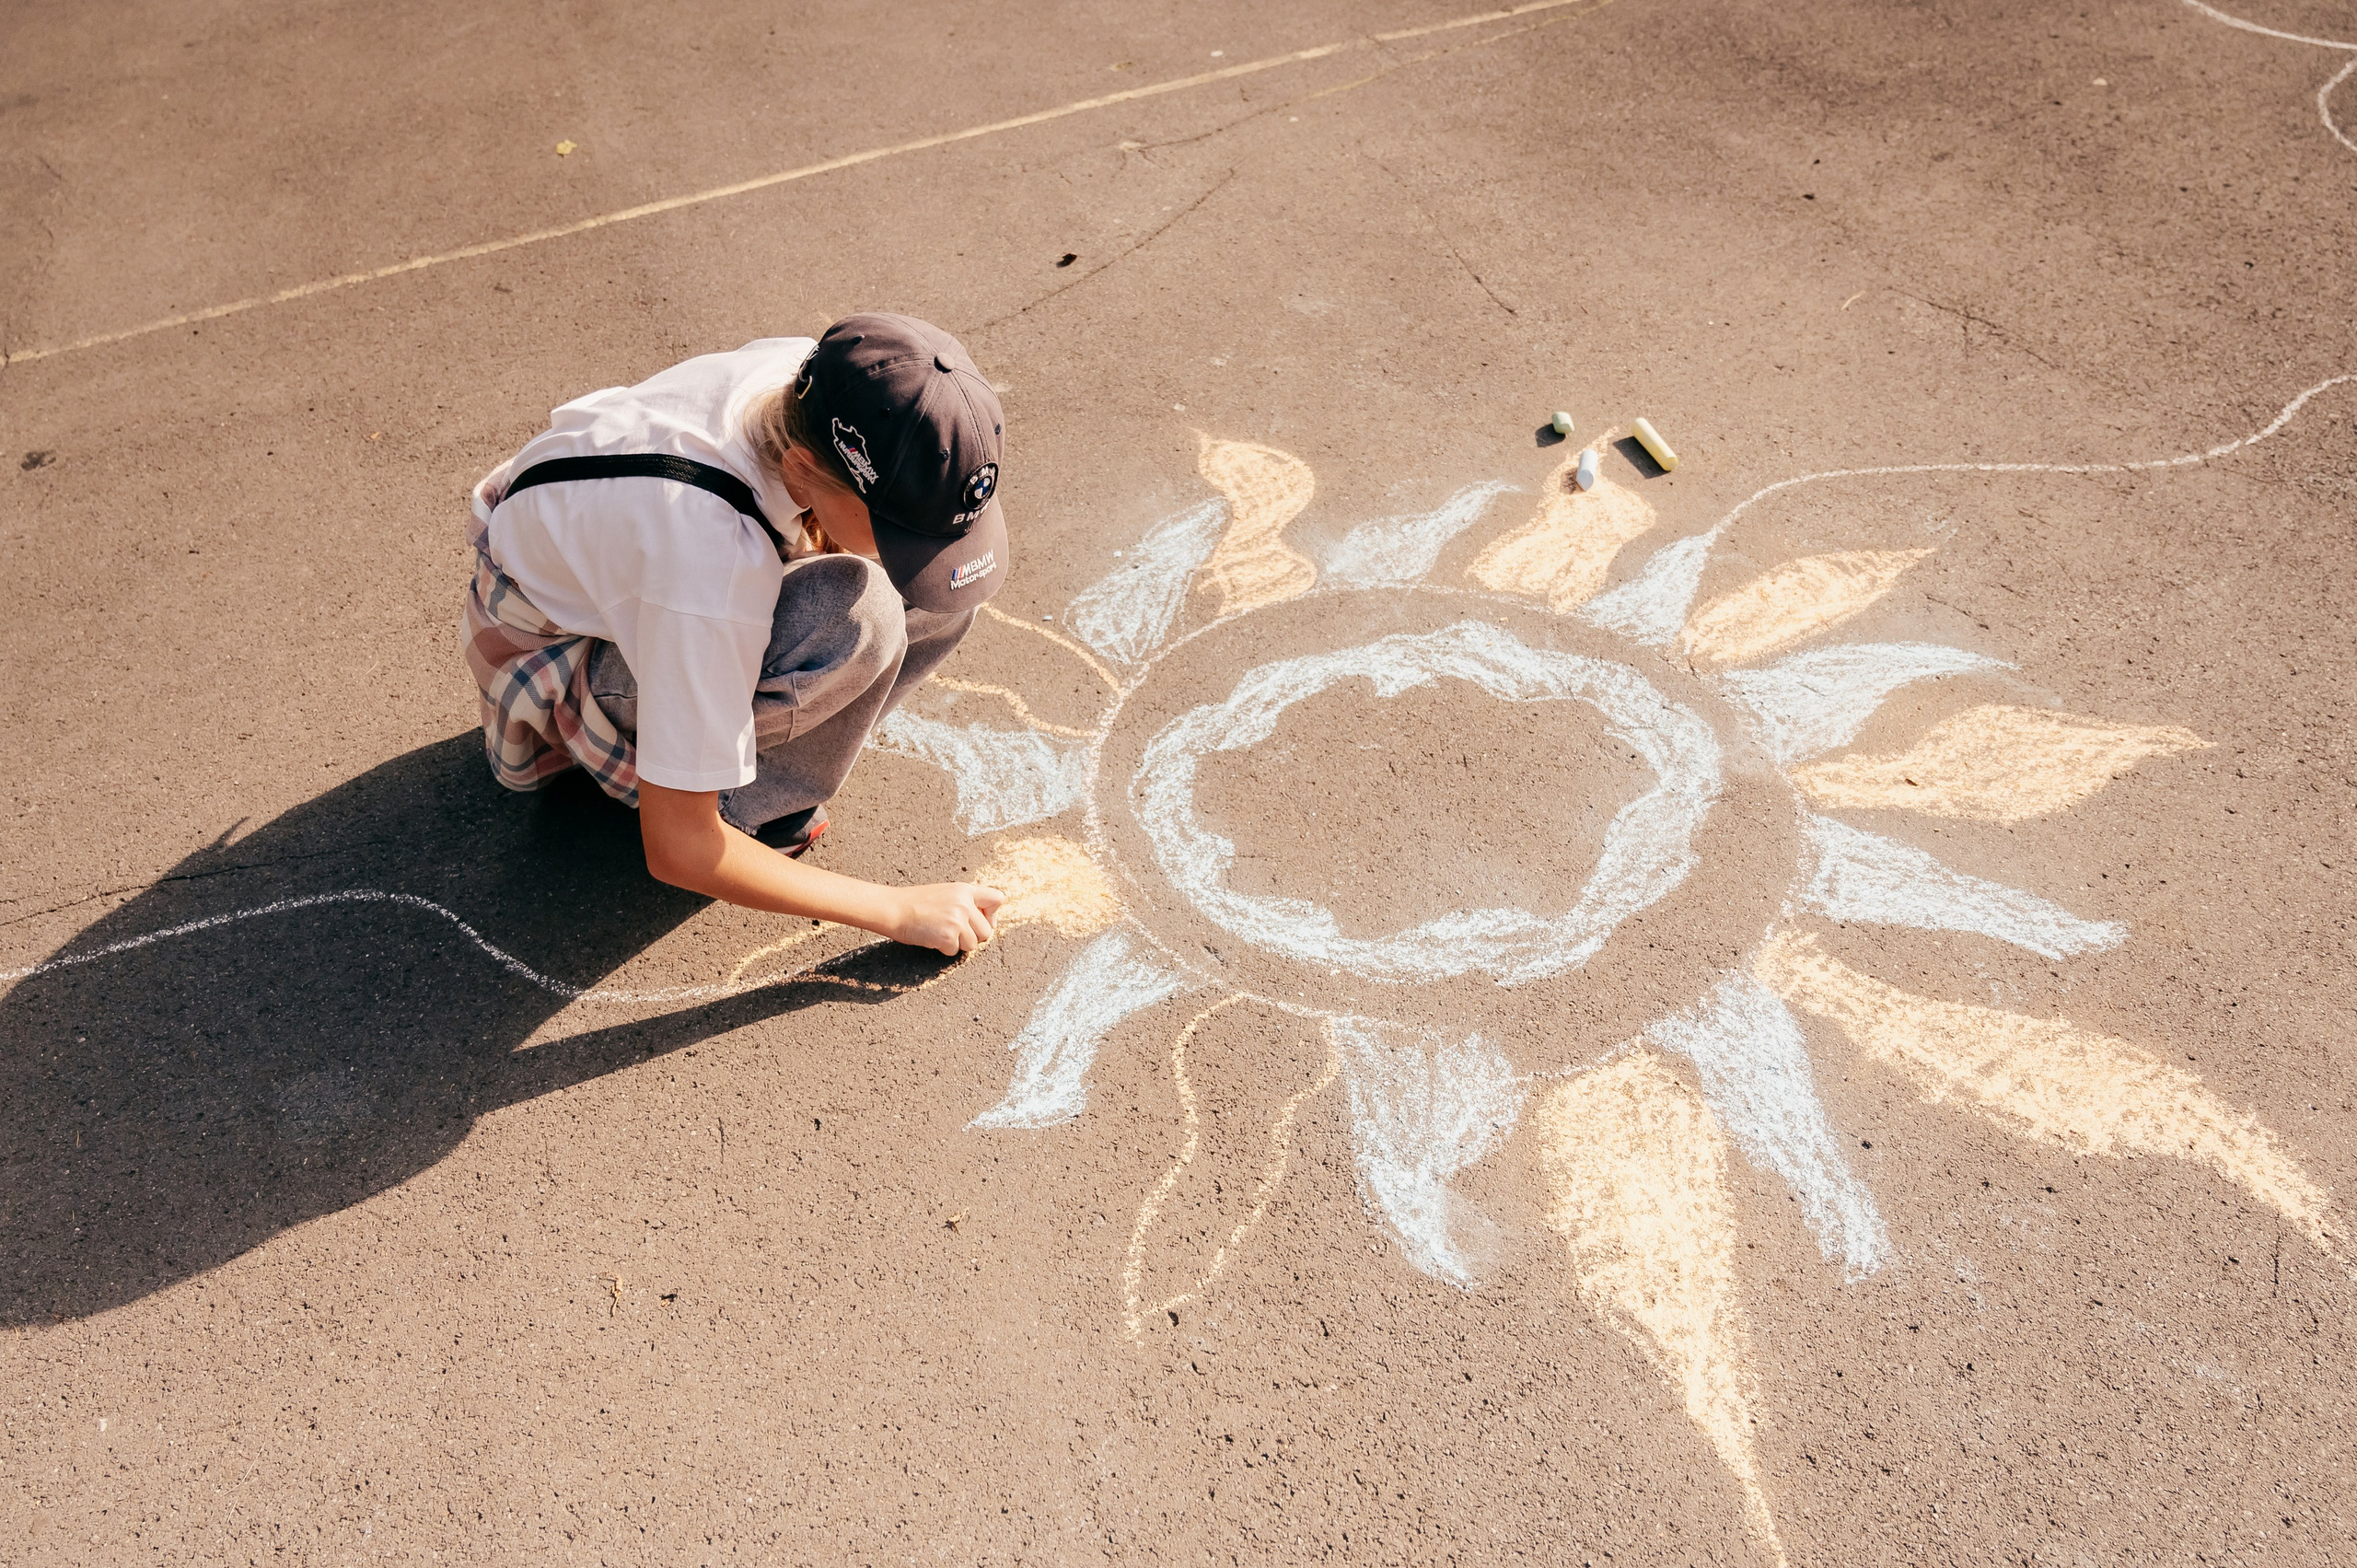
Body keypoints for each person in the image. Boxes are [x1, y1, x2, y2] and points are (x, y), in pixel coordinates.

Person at [460, 315, 1007, 955]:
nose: (909, 549)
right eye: (895, 530)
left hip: (637, 571)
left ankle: (735, 758)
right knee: (860, 615)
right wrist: (896, 909)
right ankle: (742, 806)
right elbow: (681, 848)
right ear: (804, 470)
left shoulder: (825, 388)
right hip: (560, 657)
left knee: (941, 593)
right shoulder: (709, 561)